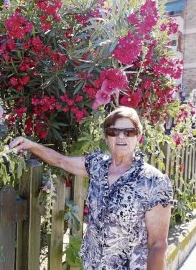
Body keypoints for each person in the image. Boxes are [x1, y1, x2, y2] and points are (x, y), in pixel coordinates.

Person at [10, 106, 173, 270]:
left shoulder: (153, 181)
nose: (121, 137)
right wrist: (31, 145)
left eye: (129, 132)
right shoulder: (97, 166)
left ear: (138, 136)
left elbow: (157, 245)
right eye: (114, 131)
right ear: (106, 136)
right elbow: (61, 161)